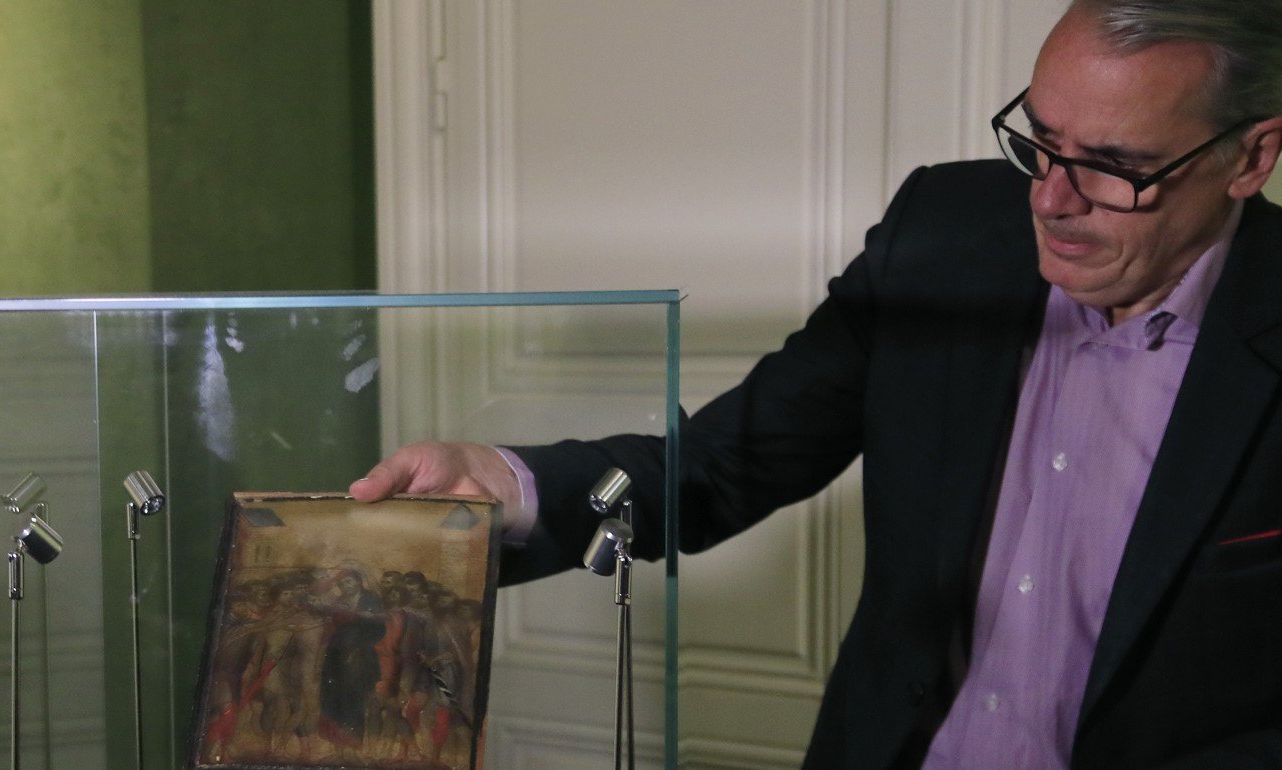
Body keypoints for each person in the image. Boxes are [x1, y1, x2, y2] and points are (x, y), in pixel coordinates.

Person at [351, 1, 1282, 767]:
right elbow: (727, 463)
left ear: (1250, 156)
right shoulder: (944, 236)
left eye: (1113, 168)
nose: (1049, 197)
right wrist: (503, 490)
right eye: (1039, 140)